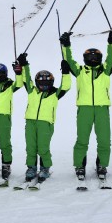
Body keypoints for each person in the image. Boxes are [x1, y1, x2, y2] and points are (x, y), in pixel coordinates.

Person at [59, 29, 112, 180]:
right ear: (85, 58)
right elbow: (69, 60)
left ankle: (102, 164)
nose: (92, 58)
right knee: (82, 139)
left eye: (95, 56)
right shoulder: (79, 71)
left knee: (104, 139)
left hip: (102, 109)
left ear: (99, 58)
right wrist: (66, 45)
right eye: (89, 56)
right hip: (84, 109)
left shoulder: (105, 70)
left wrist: (111, 42)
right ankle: (80, 165)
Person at [19, 53, 71, 181]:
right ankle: (31, 168)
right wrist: (24, 64)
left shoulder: (55, 93)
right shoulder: (32, 90)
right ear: (37, 82)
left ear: (51, 82)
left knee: (43, 147)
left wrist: (65, 71)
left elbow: (66, 85)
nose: (44, 84)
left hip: (46, 124)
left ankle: (44, 168)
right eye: (41, 82)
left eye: (47, 82)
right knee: (31, 147)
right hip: (30, 122)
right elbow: (26, 79)